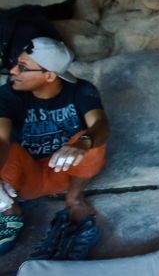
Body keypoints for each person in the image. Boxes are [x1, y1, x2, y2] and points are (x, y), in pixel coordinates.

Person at [0, 37, 108, 259]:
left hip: (66, 172)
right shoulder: (9, 94)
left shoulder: (80, 90)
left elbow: (100, 125)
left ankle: (74, 198)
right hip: (25, 175)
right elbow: (1, 139)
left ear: (49, 75)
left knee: (92, 141)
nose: (12, 72)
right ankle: (9, 210)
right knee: (8, 150)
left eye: (23, 68)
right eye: (16, 64)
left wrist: (82, 142)